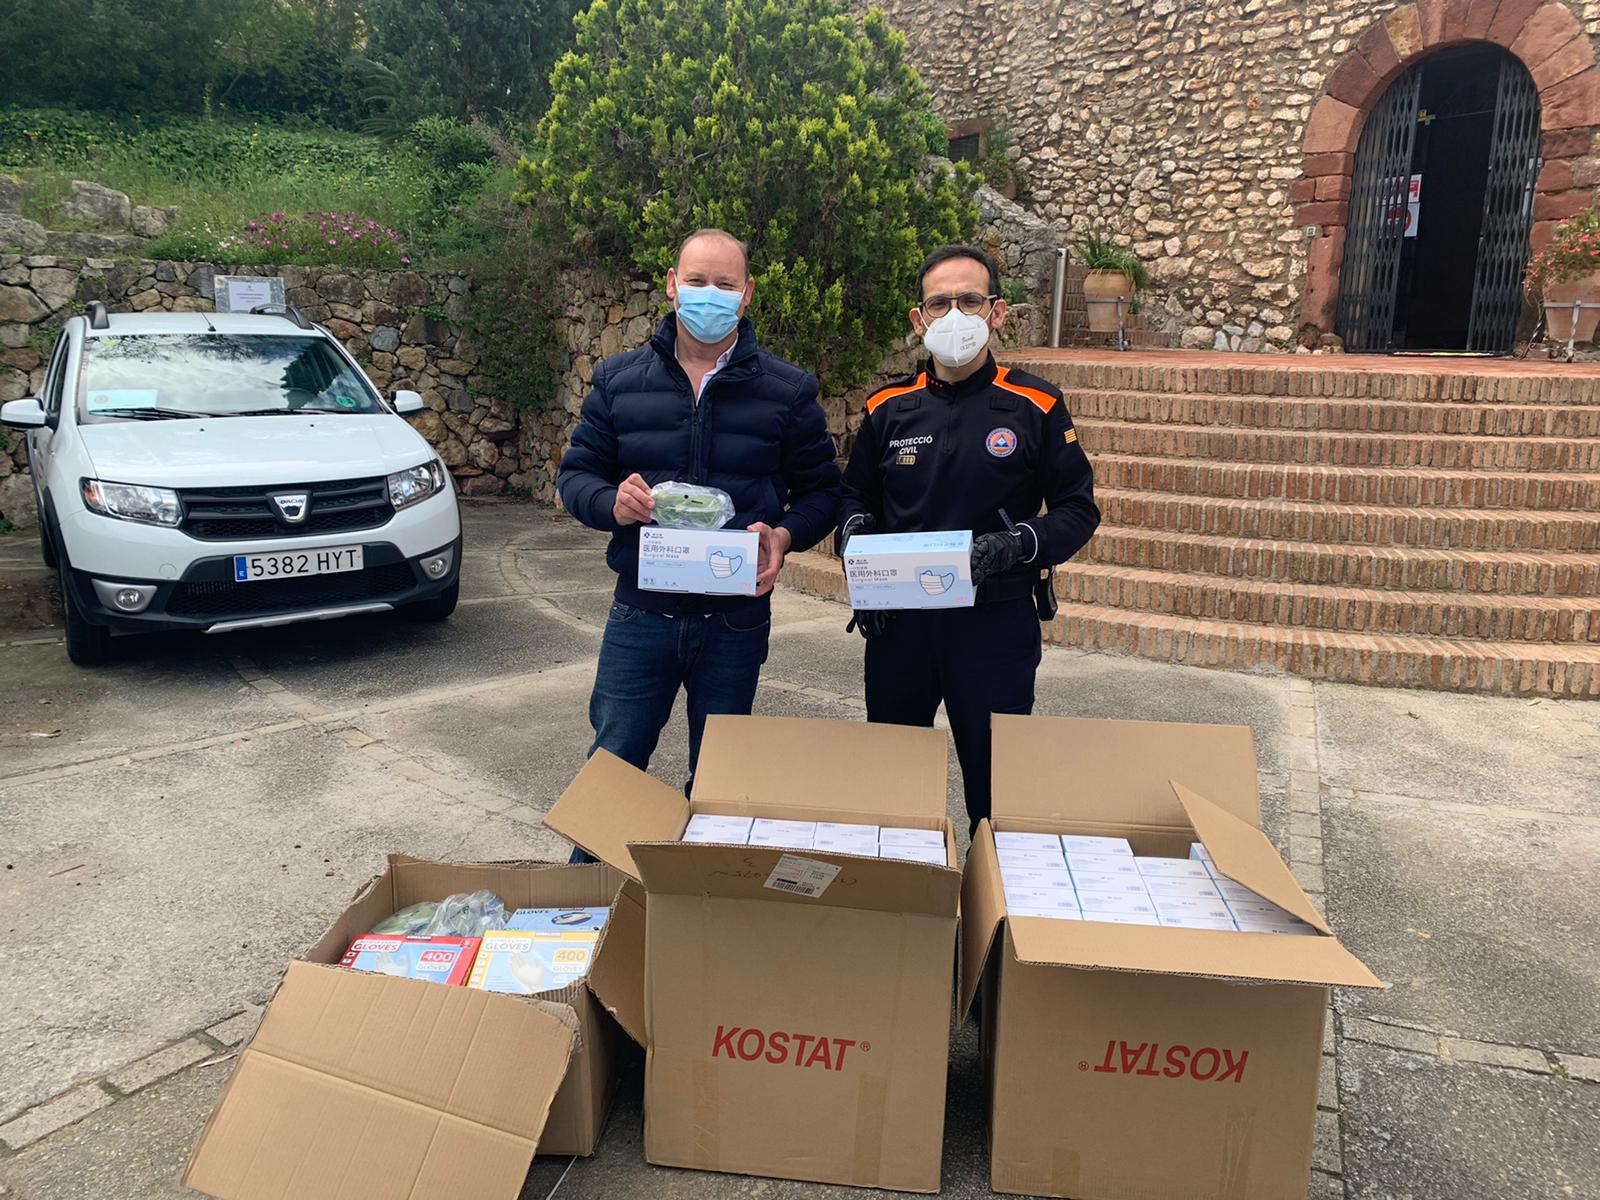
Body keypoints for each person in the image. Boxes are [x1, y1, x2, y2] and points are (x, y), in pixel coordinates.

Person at [558, 228, 842, 809]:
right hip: (640, 613)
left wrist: (784, 536)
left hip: (734, 621)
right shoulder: (618, 382)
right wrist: (612, 503)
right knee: (613, 766)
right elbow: (576, 477)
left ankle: (703, 895)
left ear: (747, 294)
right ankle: (590, 891)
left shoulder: (787, 391)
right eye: (696, 281)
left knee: (720, 779)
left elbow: (822, 491)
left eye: (724, 283)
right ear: (672, 286)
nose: (709, 294)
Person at [837, 244, 1099, 832]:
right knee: (893, 793)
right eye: (939, 302)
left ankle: (993, 917)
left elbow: (1078, 509)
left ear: (996, 312)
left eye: (970, 300)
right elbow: (855, 498)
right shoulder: (887, 408)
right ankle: (905, 912)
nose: (954, 313)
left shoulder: (1037, 404)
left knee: (998, 798)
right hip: (899, 625)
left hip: (994, 627)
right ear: (918, 319)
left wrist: (1021, 543)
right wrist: (854, 541)